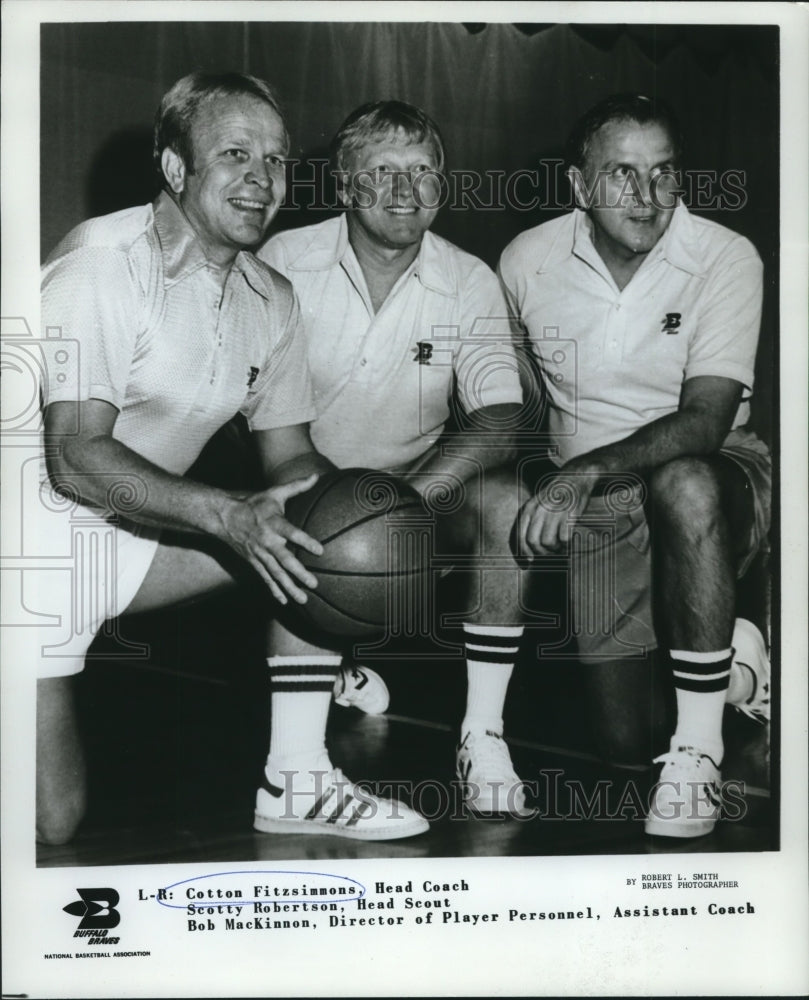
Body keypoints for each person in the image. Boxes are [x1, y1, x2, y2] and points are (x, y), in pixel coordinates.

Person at [36, 72, 427, 845]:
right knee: (51, 823)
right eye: (235, 154)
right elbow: (74, 457)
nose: (261, 179)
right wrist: (226, 515)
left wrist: (378, 527)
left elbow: (290, 459)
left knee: (319, 533)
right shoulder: (102, 264)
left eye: (276, 160)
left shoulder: (270, 298)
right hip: (23, 542)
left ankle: (298, 776)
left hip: (129, 526)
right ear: (176, 168)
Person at [498, 93, 771, 838]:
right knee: (623, 748)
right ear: (579, 186)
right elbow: (514, 398)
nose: (646, 196)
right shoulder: (524, 259)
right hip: (595, 498)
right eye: (620, 173)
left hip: (714, 473)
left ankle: (698, 751)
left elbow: (706, 420)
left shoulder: (724, 256)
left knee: (682, 485)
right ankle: (738, 665)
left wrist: (582, 471)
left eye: (661, 173)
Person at [259, 100, 535, 817]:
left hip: (415, 497)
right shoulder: (284, 259)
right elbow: (244, 408)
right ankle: (295, 765)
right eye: (382, 172)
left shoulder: (468, 278)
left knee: (504, 498)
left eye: (422, 173)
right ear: (345, 186)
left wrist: (405, 502)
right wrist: (342, 511)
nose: (405, 191)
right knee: (309, 512)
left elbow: (502, 417)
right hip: (301, 485)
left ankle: (482, 733)